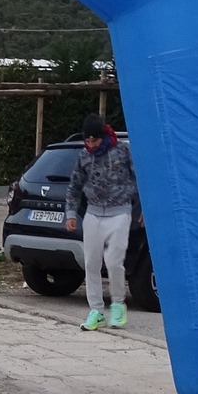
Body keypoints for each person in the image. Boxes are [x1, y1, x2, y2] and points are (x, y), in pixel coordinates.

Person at [63, 113, 138, 331]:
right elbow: (75, 185)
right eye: (87, 140)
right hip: (94, 213)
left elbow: (139, 178)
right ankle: (96, 310)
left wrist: (144, 209)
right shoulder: (84, 156)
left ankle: (118, 304)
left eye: (94, 140)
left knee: (114, 260)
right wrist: (70, 213)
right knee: (91, 262)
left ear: (103, 136)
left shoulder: (123, 150)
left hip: (120, 211)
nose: (90, 144)